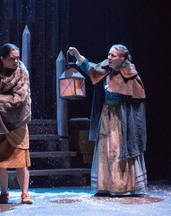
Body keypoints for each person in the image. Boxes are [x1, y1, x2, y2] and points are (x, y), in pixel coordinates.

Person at [68, 44, 148, 196]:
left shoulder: (130, 74)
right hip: (106, 115)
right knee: (106, 149)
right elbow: (90, 68)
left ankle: (121, 186)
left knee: (118, 149)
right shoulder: (105, 69)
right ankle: (106, 185)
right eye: (109, 55)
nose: (109, 58)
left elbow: (138, 100)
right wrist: (78, 55)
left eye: (113, 56)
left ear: (122, 59)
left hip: (122, 117)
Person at [0, 43, 33, 204]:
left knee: (21, 160)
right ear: (2, 59)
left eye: (18, 58)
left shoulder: (21, 73)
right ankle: (4, 193)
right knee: (1, 161)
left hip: (17, 120)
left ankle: (24, 193)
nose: (16, 62)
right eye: (12, 59)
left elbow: (20, 97)